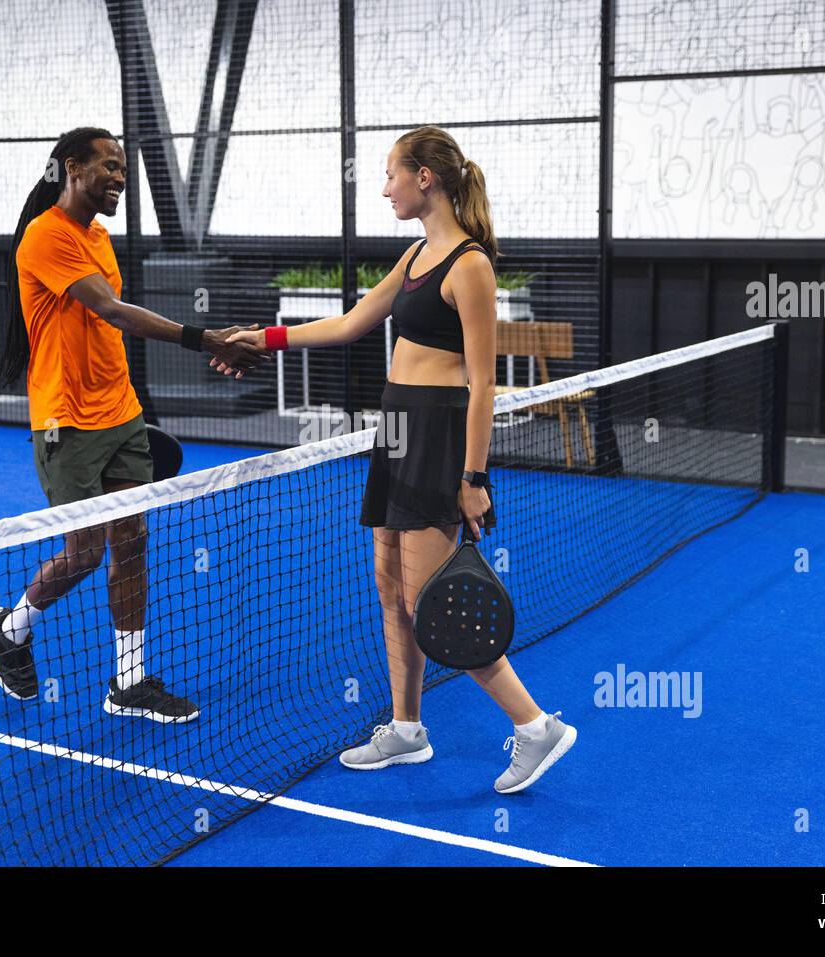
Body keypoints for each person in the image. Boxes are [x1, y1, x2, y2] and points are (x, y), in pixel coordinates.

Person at [221, 127, 576, 793]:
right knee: (389, 587)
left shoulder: (470, 266)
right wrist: (262, 338)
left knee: (429, 599)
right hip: (397, 429)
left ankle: (535, 726)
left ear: (425, 178)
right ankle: (407, 728)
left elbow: (482, 384)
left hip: (438, 436)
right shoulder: (415, 255)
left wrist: (474, 477)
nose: (384, 188)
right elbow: (349, 324)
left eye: (391, 175)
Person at [0, 127, 268, 722]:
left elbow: (105, 327)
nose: (119, 177)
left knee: (132, 542)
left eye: (122, 168)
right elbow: (111, 310)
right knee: (85, 553)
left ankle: (129, 683)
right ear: (71, 168)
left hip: (122, 413)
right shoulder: (45, 236)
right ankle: (12, 627)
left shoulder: (99, 237)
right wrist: (206, 339)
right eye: (108, 166)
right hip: (66, 422)